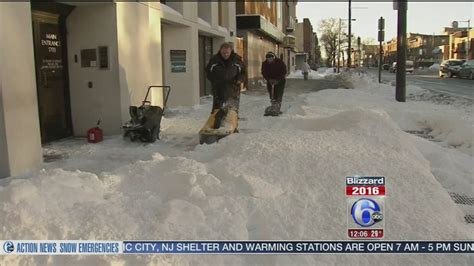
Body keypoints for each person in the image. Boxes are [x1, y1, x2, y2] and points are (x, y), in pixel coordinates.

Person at [205, 42, 246, 113]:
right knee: (217, 111)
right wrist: (214, 80)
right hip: (218, 89)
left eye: (227, 52)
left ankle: (231, 123)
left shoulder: (237, 60)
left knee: (232, 111)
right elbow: (208, 72)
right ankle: (216, 123)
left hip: (233, 89)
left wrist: (239, 79)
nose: (225, 54)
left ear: (231, 51)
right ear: (220, 51)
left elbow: (243, 72)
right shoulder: (214, 60)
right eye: (223, 52)